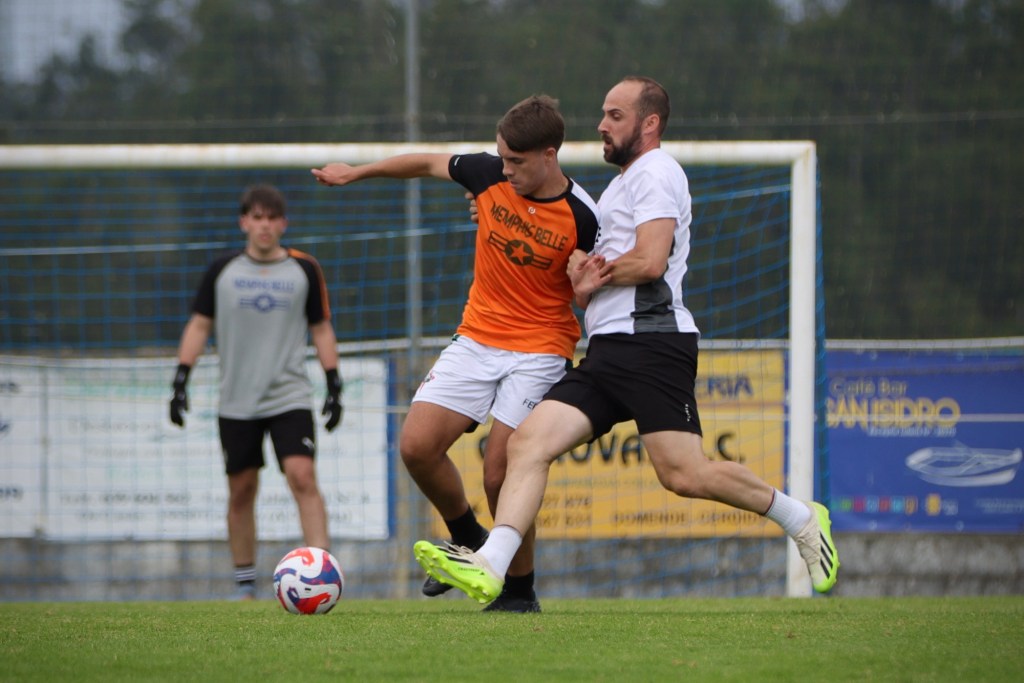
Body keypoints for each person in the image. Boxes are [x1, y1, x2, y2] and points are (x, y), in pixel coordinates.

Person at [413, 76, 840, 603]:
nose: (602, 124)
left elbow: (651, 260)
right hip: (608, 348)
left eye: (615, 115)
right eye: (603, 113)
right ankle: (493, 568)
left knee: (683, 474)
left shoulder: (658, 172)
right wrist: (583, 283)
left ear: (650, 123)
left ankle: (800, 517)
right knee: (528, 444)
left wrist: (598, 273)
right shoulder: (621, 186)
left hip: (653, 345)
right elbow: (602, 285)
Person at [312, 95, 600, 612]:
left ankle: (519, 590)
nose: (505, 169)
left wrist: (584, 288)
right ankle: (466, 533)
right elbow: (423, 162)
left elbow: (591, 291)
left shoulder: (584, 215)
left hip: (540, 348)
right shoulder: (487, 174)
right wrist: (357, 173)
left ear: (549, 155)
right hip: (477, 336)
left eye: (516, 162)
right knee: (416, 446)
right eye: (501, 158)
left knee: (501, 470)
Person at [169, 184, 343, 600]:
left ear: (283, 224)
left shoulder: (304, 269)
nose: (264, 226)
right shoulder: (222, 270)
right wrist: (180, 378)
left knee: (303, 477)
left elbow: (321, 328)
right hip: (237, 401)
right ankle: (244, 585)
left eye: (272, 218)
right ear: (244, 222)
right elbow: (198, 325)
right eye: (257, 217)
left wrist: (334, 382)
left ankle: (321, 576)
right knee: (242, 489)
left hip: (289, 396)